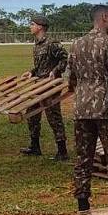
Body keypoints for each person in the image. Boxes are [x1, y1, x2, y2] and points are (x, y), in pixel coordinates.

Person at [67, 5, 108, 215]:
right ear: (104, 17)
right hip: (106, 108)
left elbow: (71, 80)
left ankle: (83, 211)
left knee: (83, 159)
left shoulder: (75, 44)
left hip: (82, 109)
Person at [19, 15, 69, 161]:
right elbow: (41, 65)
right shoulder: (37, 44)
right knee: (32, 112)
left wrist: (55, 71)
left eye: (32, 24)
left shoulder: (52, 43)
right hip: (39, 84)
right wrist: (32, 72)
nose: (30, 26)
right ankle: (35, 146)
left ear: (40, 27)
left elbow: (65, 58)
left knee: (53, 116)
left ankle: (62, 151)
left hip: (51, 85)